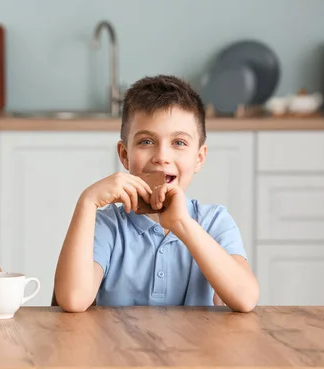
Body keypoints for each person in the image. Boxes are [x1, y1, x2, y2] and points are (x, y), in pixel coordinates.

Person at [54, 75, 259, 313]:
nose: (162, 156)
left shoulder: (215, 222)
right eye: (147, 141)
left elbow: (245, 298)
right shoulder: (107, 225)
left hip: (197, 350)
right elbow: (72, 299)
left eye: (179, 143)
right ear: (124, 155)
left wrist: (182, 224)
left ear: (199, 158)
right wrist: (87, 202)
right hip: (118, 349)